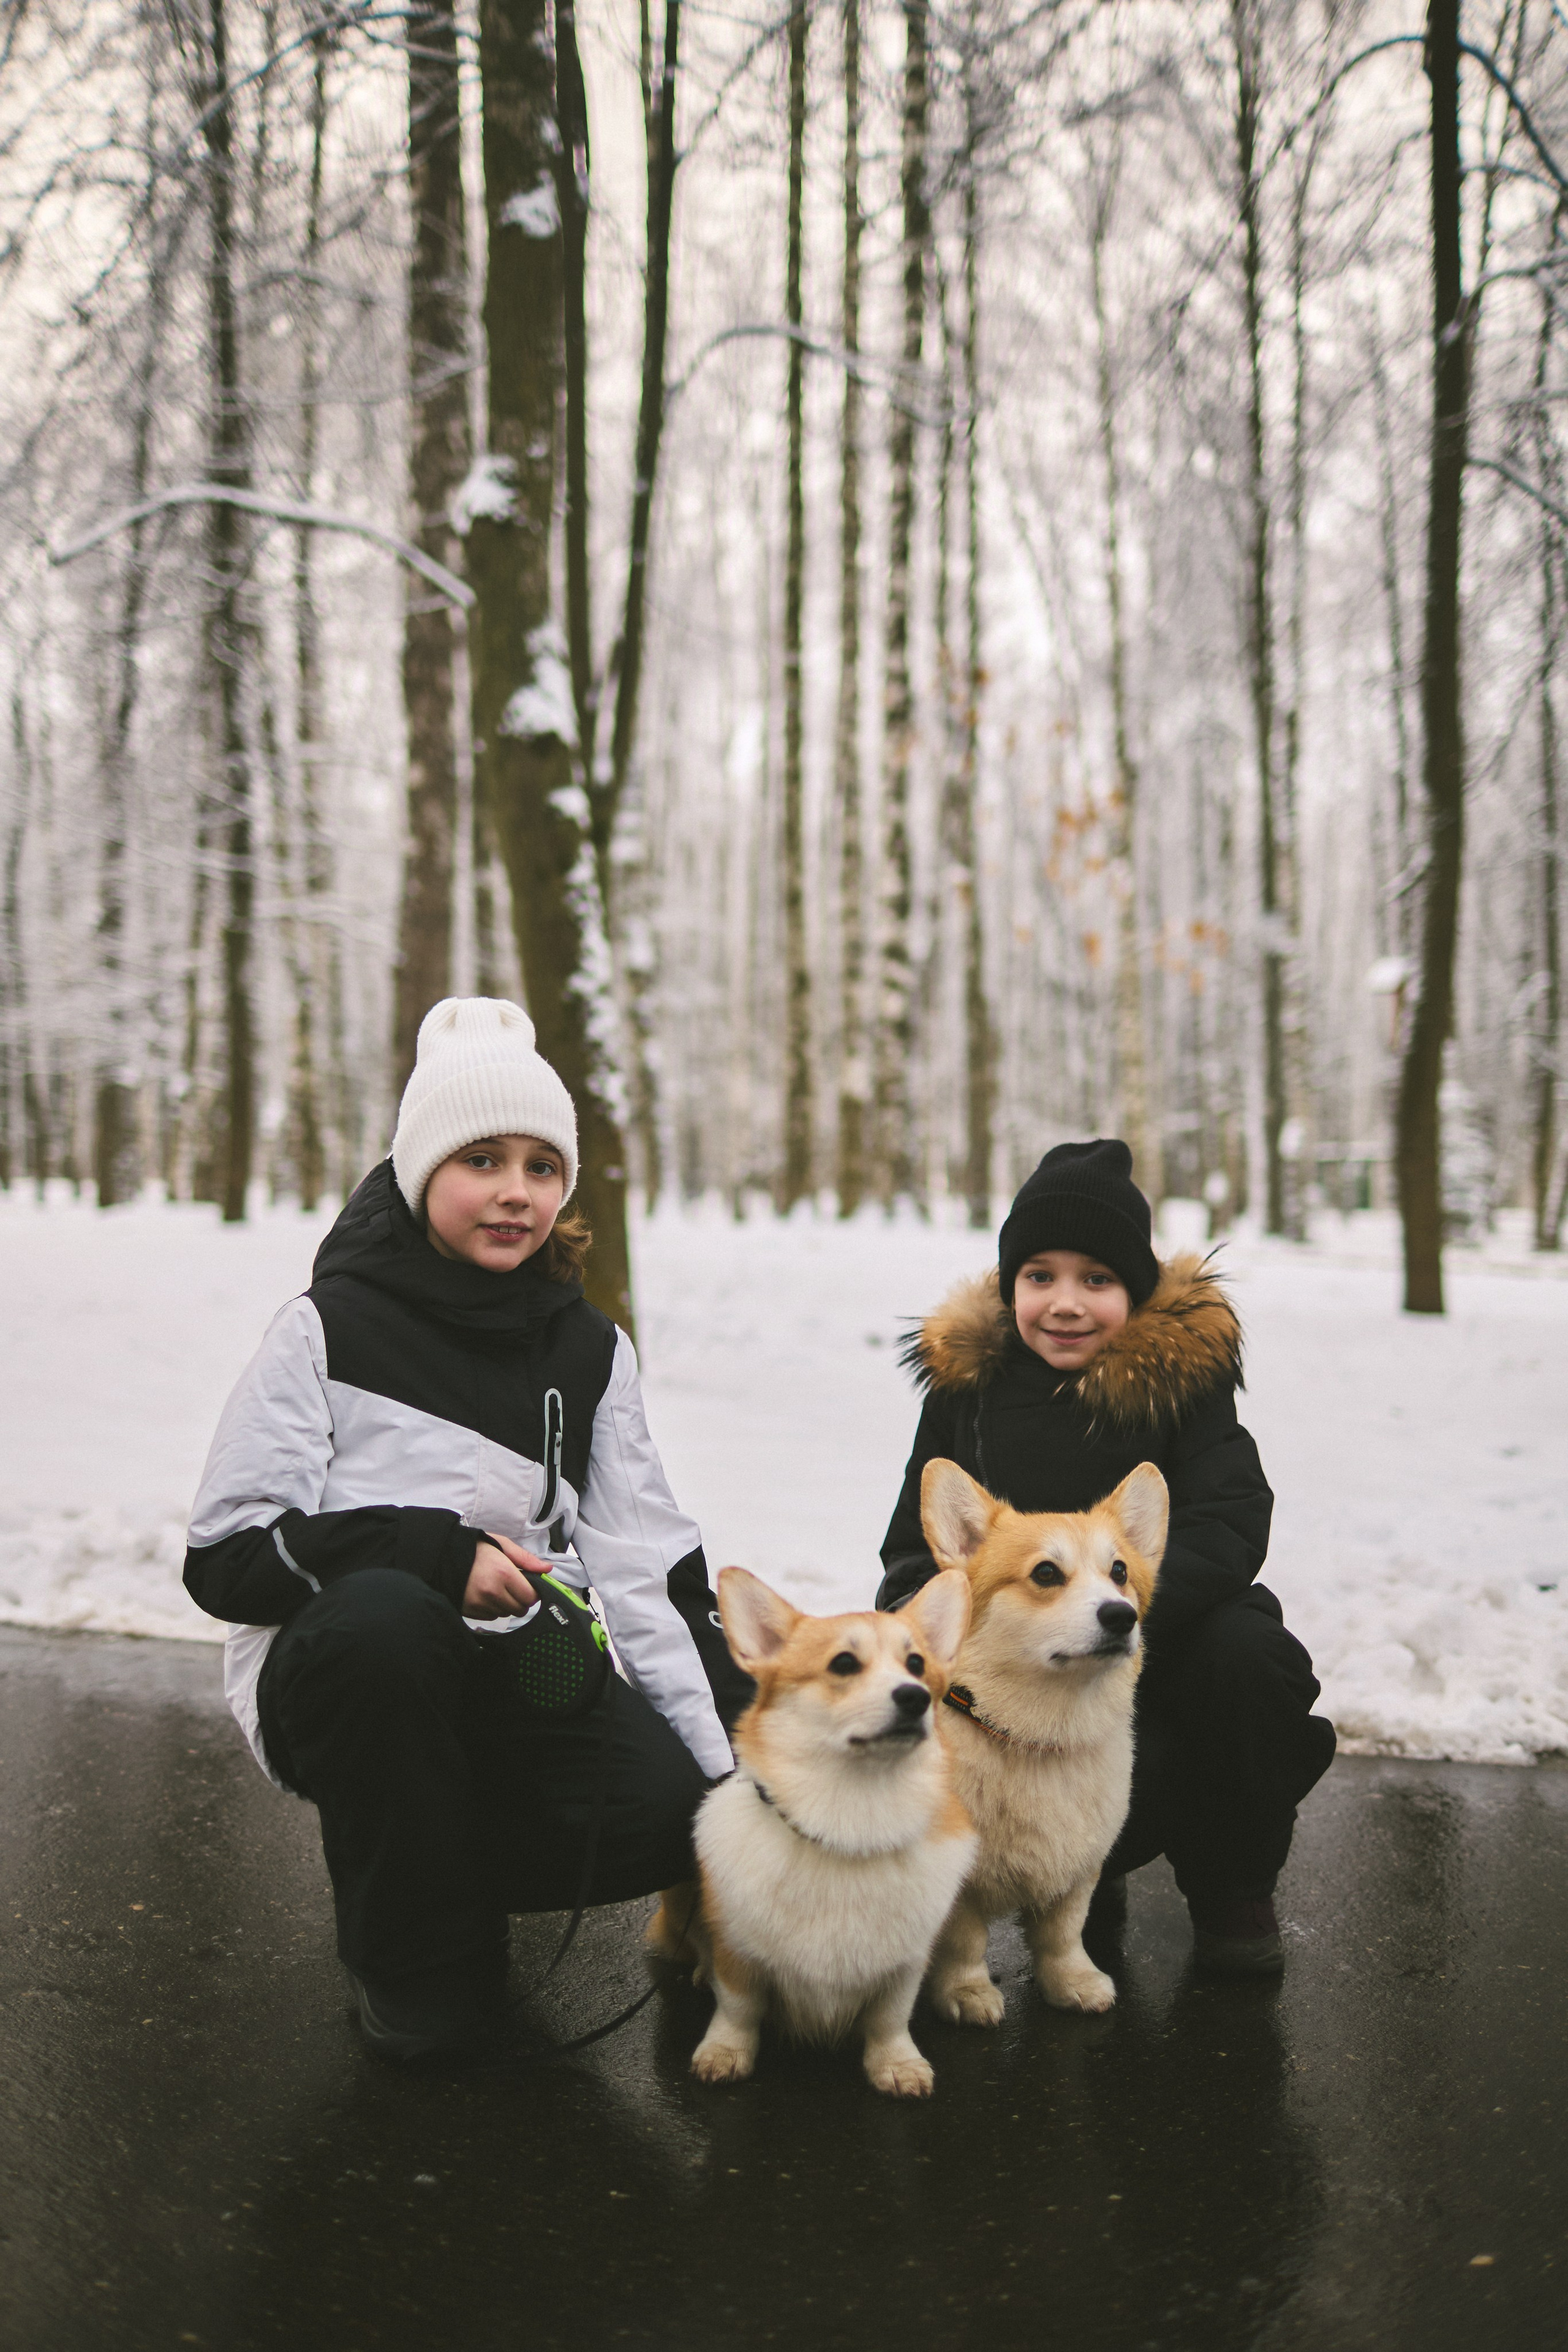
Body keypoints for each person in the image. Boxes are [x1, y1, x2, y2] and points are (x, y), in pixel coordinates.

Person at [184, 996, 748, 2059]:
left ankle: (423, 1874)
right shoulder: (327, 1326)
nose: (515, 1192)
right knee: (390, 1622)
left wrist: (729, 1774)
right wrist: (436, 1555)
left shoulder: (589, 1350)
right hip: (344, 1667)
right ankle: (412, 1961)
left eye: (542, 1166)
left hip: (514, 1665)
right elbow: (225, 1557)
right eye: (481, 1159)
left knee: (670, 1807)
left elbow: (646, 1568)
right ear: (420, 1172)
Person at [877, 1138, 1335, 1974]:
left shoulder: (1182, 1382)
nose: (1065, 1303)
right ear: (1010, 1284)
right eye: (1039, 1276)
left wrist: (1116, 1606)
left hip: (1159, 1634)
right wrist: (933, 1637)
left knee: (1252, 1663)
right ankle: (1069, 1877)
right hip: (1017, 1670)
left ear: (1136, 1290)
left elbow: (1231, 1517)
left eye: (1098, 1280)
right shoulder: (967, 1395)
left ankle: (1229, 1880)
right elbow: (916, 1552)